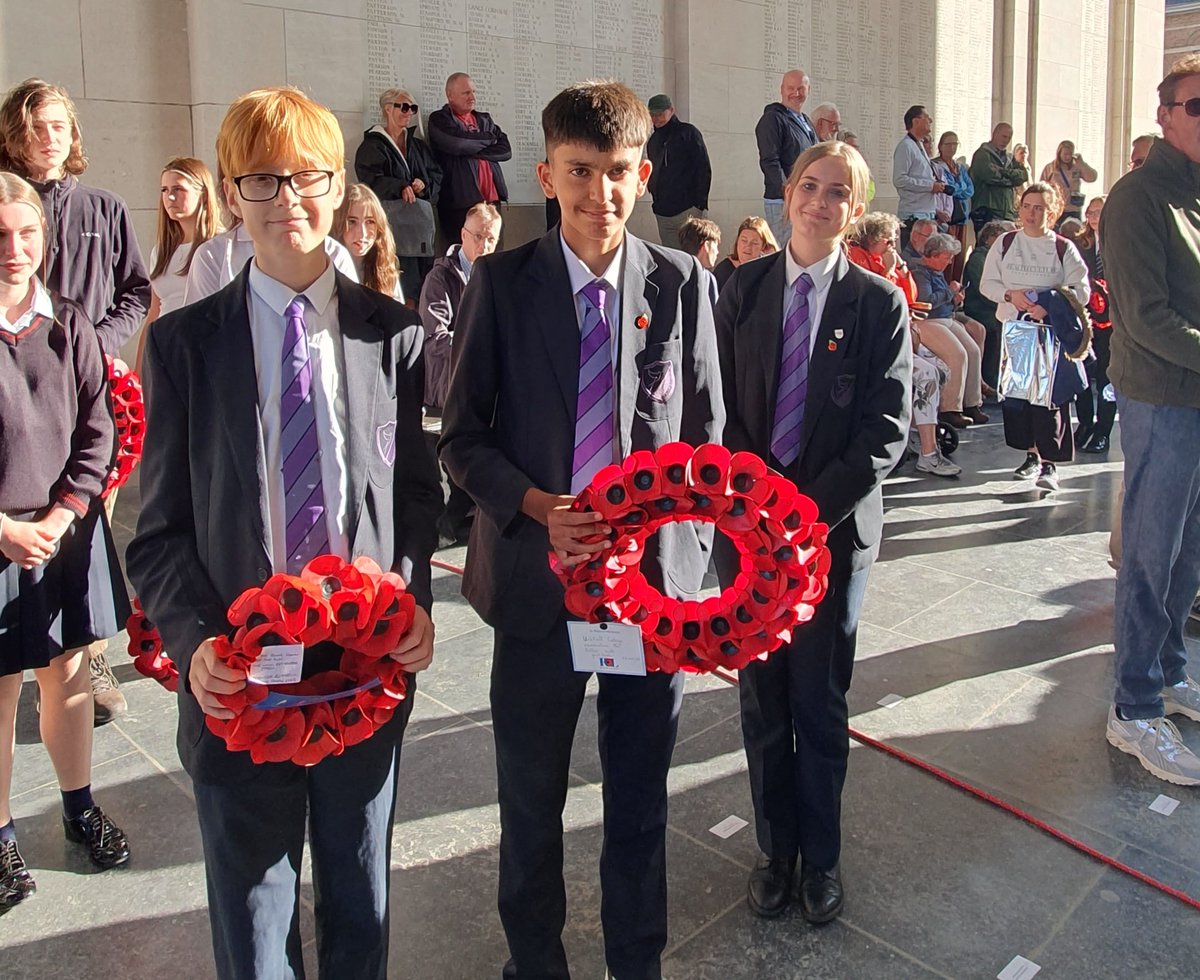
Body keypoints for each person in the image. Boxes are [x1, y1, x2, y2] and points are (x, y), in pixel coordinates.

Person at [126, 86, 443, 978]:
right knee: (254, 923)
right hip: (240, 680)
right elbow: (157, 535)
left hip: (362, 673)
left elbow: (416, 501)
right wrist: (194, 647)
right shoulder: (186, 345)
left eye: (307, 178)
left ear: (339, 186)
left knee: (361, 905)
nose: (287, 202)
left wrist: (412, 601)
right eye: (261, 182)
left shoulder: (394, 337)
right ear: (232, 196)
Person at [438, 80, 723, 980]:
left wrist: (686, 565)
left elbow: (708, 439)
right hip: (537, 591)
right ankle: (537, 964)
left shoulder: (681, 284)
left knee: (639, 801)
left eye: (615, 173)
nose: (598, 193)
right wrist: (536, 509)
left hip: (649, 606)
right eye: (579, 172)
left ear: (643, 175)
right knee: (530, 803)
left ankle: (636, 960)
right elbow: (463, 439)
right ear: (547, 174)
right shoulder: (504, 283)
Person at [714, 140, 910, 924]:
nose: (820, 202)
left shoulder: (879, 303)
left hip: (830, 538)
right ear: (786, 194)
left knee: (820, 703)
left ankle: (821, 860)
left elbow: (885, 430)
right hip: (749, 535)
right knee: (764, 702)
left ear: (854, 209)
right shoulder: (743, 289)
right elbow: (718, 406)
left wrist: (802, 518)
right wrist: (756, 513)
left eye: (837, 192)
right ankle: (775, 851)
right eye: (808, 186)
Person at [0, 77, 151, 726]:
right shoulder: (8, 209)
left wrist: (96, 343)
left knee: (84, 521)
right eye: (35, 127)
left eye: (58, 125)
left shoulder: (106, 209)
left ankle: (85, 651)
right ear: (14, 135)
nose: (48, 138)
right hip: (16, 395)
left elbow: (136, 293)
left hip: (90, 395)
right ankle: (25, 651)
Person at [0, 172, 132, 912]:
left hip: (63, 532)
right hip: (1, 538)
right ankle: (0, 836)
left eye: (26, 235)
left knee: (70, 678)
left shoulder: (68, 321)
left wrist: (65, 514)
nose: (14, 250)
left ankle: (79, 806)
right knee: (0, 691)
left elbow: (97, 427)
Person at [1103, 55, 1200, 786]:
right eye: (1196, 106)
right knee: (1148, 553)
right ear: (1165, 116)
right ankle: (1134, 706)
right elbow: (1147, 316)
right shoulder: (1141, 196)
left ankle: (1168, 672)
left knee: (1187, 552)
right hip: (1162, 398)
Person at [980, 181, 1090, 492]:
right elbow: (988, 283)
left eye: (1039, 207)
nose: (1032, 213)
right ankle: (1030, 456)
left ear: (1051, 212)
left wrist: (1049, 305)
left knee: (1049, 400)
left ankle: (1050, 462)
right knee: (1019, 398)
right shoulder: (1005, 242)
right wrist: (1009, 295)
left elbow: (1080, 289)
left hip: (1049, 335)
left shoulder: (1062, 248)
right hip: (1016, 330)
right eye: (1027, 206)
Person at [420, 202, 501, 547]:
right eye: (478, 236)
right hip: (446, 382)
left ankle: (467, 519)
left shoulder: (496, 274)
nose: (484, 245)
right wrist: (478, 341)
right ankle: (449, 521)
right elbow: (435, 335)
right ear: (463, 236)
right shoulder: (441, 277)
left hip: (484, 382)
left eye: (491, 239)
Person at [183, 190, 358, 302]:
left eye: (305, 174)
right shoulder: (213, 256)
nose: (287, 198)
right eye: (262, 178)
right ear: (232, 196)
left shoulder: (335, 256)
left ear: (338, 188)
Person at [354, 87, 443, 297]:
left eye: (412, 108)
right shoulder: (373, 145)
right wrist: (400, 186)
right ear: (387, 109)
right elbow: (369, 179)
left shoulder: (418, 146)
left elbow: (436, 174)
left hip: (420, 227)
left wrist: (423, 185)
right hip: (392, 226)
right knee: (399, 282)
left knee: (423, 284)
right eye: (403, 107)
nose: (408, 112)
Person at [910, 233, 988, 428]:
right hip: (928, 322)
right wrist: (949, 292)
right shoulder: (921, 273)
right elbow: (926, 302)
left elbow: (943, 300)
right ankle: (950, 408)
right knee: (957, 354)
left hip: (945, 318)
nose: (950, 261)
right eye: (946, 256)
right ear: (933, 254)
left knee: (973, 351)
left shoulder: (937, 273)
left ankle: (971, 403)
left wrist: (954, 298)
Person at [427, 72, 510, 248]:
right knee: (463, 261)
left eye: (473, 92)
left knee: (495, 259)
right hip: (460, 204)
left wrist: (473, 151)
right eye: (466, 93)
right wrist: (489, 140)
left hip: (492, 203)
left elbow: (506, 150)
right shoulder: (440, 119)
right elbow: (458, 143)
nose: (472, 97)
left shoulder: (484, 119)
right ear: (450, 95)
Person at [147, 157, 223, 323]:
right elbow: (155, 311)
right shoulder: (160, 251)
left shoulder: (222, 245)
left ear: (202, 195)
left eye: (178, 189)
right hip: (164, 343)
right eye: (164, 190)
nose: (170, 197)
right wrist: (143, 350)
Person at [1067, 196, 1114, 453]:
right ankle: (1084, 423)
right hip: (1085, 318)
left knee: (1108, 376)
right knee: (1083, 371)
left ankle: (1103, 431)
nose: (1094, 217)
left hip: (1112, 320)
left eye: (1099, 212)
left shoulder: (1121, 241)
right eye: (1091, 212)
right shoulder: (1080, 244)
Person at [755, 70, 817, 245]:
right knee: (787, 252)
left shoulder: (805, 120)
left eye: (801, 88)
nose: (796, 93)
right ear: (781, 90)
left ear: (808, 90)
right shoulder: (772, 119)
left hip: (803, 198)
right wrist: (786, 193)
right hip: (783, 202)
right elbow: (769, 160)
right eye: (791, 88)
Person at [646, 93, 712, 248]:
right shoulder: (653, 141)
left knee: (693, 256)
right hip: (662, 211)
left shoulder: (688, 133)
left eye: (660, 114)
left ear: (671, 110)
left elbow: (703, 168)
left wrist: (699, 205)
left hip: (688, 209)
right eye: (652, 115)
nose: (656, 119)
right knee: (671, 259)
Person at [961, 219, 1016, 393]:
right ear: (989, 238)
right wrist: (1004, 302)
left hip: (997, 304)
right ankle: (991, 378)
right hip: (980, 307)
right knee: (996, 325)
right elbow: (982, 289)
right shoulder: (979, 257)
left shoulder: (1000, 257)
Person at [333, 182, 404, 303]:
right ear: (337, 223)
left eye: (370, 222)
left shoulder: (386, 269)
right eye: (352, 221)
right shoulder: (325, 268)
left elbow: (399, 318)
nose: (362, 233)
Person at [892, 105, 945, 247]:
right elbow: (899, 180)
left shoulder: (919, 145)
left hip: (926, 213)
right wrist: (930, 186)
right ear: (915, 122)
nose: (931, 121)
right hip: (913, 216)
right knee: (915, 261)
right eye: (927, 118)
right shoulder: (906, 146)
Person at [969, 122, 1029, 232]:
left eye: (1009, 138)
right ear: (995, 134)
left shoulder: (1009, 157)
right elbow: (991, 177)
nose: (1006, 141)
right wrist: (1012, 180)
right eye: (1004, 136)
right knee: (986, 245)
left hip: (1007, 211)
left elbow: (1023, 175)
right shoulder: (982, 154)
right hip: (987, 210)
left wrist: (1003, 171)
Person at [930, 131, 974, 278]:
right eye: (948, 144)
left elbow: (969, 189)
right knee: (946, 254)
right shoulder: (936, 166)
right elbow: (948, 188)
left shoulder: (960, 167)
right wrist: (957, 190)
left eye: (955, 144)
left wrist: (956, 190)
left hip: (962, 214)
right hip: (947, 216)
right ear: (940, 146)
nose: (952, 147)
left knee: (959, 256)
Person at [1040, 140, 1097, 224]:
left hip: (1074, 208)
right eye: (1065, 154)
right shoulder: (1051, 167)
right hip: (1057, 208)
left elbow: (1092, 178)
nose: (1067, 157)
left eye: (1070, 154)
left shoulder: (1077, 166)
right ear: (1059, 153)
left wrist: (1082, 164)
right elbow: (1042, 186)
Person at [713, 216, 778, 290]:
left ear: (764, 246)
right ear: (737, 241)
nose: (748, 247)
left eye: (754, 243)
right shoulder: (724, 271)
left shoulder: (769, 272)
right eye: (744, 241)